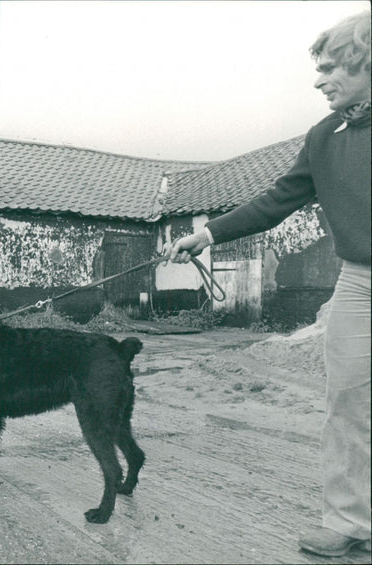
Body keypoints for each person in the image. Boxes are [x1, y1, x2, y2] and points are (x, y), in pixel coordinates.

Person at [167, 12, 370, 558]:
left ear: (366, 62)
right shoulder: (325, 137)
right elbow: (277, 200)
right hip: (360, 282)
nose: (318, 79)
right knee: (347, 400)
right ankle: (350, 521)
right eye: (319, 69)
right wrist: (208, 233)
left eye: (331, 68)